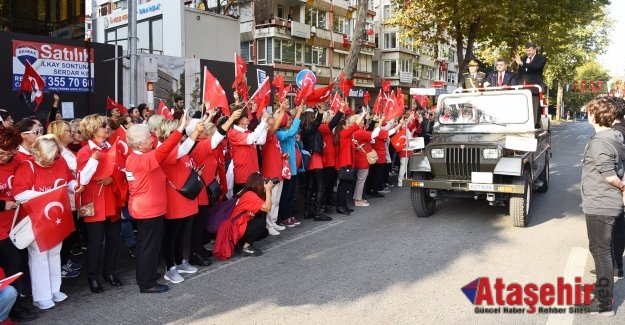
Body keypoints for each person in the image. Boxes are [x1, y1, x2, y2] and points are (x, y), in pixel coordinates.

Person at [13, 135, 82, 310]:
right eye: (46, 160)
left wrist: (74, 186)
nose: (51, 162)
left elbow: (68, 180)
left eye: (53, 158)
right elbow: (19, 194)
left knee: (55, 252)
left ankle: (54, 289)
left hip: (55, 216)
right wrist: (46, 195)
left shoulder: (59, 162)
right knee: (39, 256)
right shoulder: (27, 166)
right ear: (37, 154)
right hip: (36, 218)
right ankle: (41, 295)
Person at [124, 112, 188, 294]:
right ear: (140, 144)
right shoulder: (144, 159)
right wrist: (180, 129)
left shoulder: (135, 157)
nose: (152, 141)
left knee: (146, 245)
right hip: (148, 209)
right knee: (148, 247)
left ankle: (147, 275)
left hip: (144, 208)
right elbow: (165, 149)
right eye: (148, 140)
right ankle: (147, 283)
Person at [579, 97, 624, 316]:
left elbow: (608, 174)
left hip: (601, 203)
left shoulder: (600, 141)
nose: (588, 114)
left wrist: (621, 185)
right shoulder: (615, 136)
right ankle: (602, 293)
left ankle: (604, 303)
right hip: (608, 202)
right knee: (602, 250)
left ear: (598, 115)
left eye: (590, 111)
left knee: (600, 251)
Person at [0, 126, 37, 322]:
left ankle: (17, 306)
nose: (5, 157)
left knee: (16, 266)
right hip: (1, 230)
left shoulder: (18, 162)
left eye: (9, 153)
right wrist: (3, 204)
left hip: (15, 226)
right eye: (1, 153)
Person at [47, 121, 84, 278]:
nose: (72, 132)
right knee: (66, 235)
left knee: (70, 233)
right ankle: (61, 265)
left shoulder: (65, 149)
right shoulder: (58, 152)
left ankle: (64, 260)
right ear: (60, 133)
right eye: (68, 130)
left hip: (72, 197)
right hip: (65, 200)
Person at [213, 172, 274, 260]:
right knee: (260, 223)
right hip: (233, 228)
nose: (264, 184)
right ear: (257, 183)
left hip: (238, 226)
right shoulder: (250, 195)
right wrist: (268, 190)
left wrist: (269, 190)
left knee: (264, 231)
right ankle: (246, 247)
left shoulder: (251, 193)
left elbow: (267, 206)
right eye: (262, 182)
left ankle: (240, 244)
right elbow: (267, 208)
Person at [334, 109, 367, 215]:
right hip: (344, 163)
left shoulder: (345, 135)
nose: (349, 125)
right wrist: (362, 115)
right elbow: (355, 126)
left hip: (348, 162)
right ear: (343, 126)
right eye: (347, 123)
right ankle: (340, 206)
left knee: (345, 186)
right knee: (343, 186)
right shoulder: (344, 133)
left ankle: (343, 205)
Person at [276, 104, 304, 227]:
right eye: (288, 120)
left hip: (294, 168)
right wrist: (298, 113)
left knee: (292, 194)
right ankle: (284, 217)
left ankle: (289, 215)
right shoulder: (280, 133)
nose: (290, 121)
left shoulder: (289, 133)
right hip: (286, 169)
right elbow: (292, 131)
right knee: (285, 195)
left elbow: (299, 145)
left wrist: (299, 140)